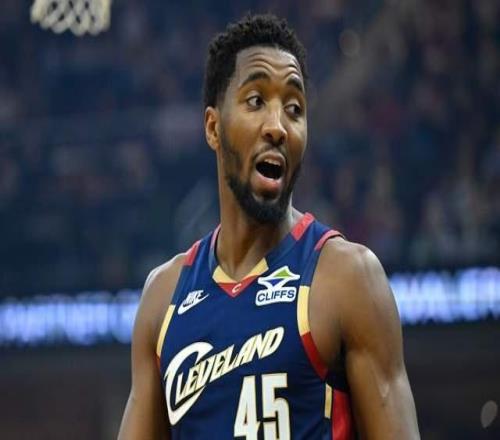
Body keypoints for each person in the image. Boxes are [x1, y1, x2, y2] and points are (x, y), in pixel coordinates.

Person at [118, 14, 420, 439]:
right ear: (213, 128)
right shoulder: (163, 298)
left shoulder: (348, 278)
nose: (278, 126)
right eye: (256, 101)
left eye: (294, 109)